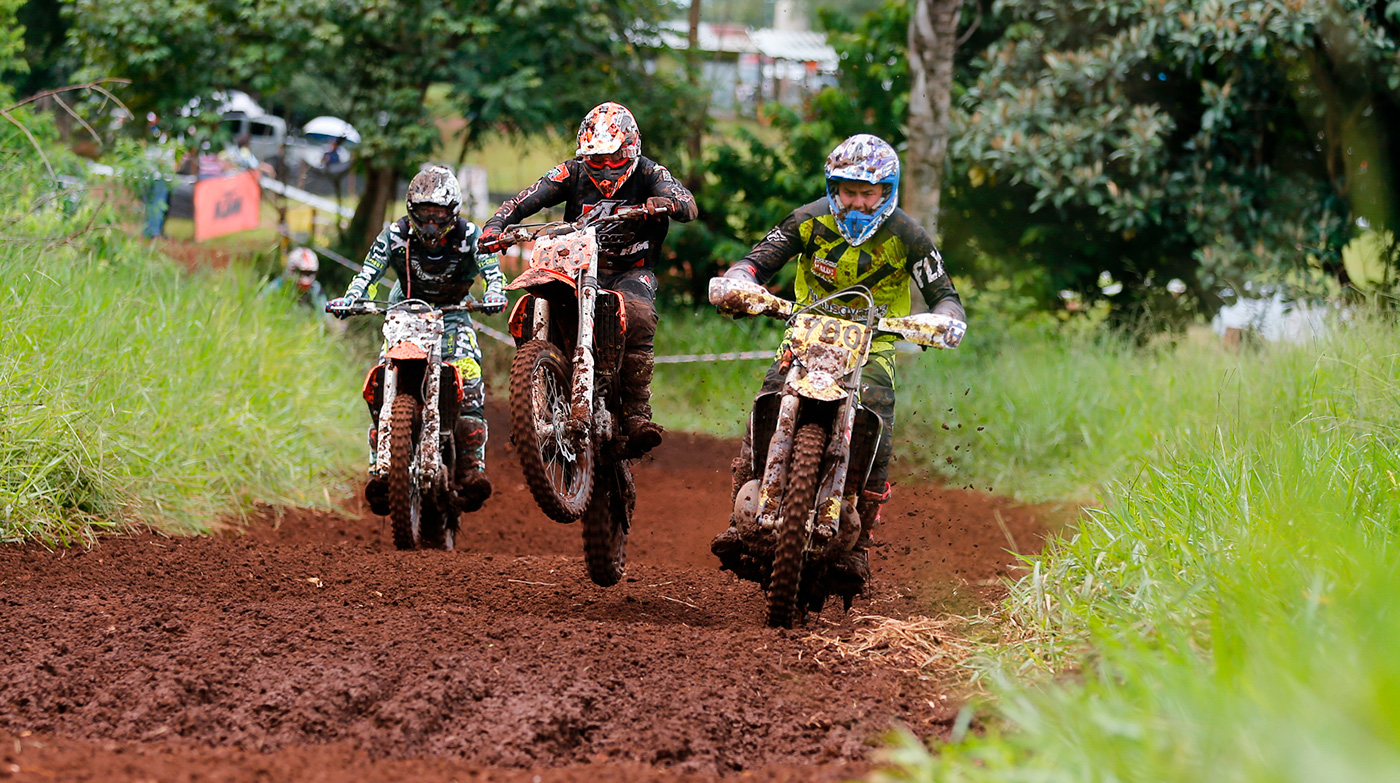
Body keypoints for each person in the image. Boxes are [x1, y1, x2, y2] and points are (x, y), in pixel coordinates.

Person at [709, 133, 967, 594]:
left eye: (870, 193)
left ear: (888, 191)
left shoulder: (908, 235)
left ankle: (860, 540)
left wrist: (944, 321)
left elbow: (945, 296)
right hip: (805, 332)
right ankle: (742, 504)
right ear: (834, 186)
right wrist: (738, 282)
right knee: (769, 396)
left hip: (874, 344)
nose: (859, 202)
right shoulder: (808, 221)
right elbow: (755, 263)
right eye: (849, 190)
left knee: (879, 420)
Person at [478, 101, 698, 458]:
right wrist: (495, 226)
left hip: (629, 271)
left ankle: (637, 414)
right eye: (597, 161)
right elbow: (524, 199)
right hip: (574, 267)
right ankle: (531, 408)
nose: (606, 168)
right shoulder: (571, 172)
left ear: (630, 150)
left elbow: (687, 202)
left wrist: (666, 203)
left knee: (639, 316)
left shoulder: (649, 172)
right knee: (533, 303)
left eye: (613, 159)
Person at [327, 165, 507, 514]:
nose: (430, 225)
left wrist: (495, 294)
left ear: (452, 212)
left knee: (469, 381)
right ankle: (381, 469)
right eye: (424, 214)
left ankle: (472, 469)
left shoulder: (471, 235)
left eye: (438, 216)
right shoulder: (394, 236)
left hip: (453, 316)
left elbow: (491, 272)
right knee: (382, 383)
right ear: (412, 210)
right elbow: (368, 273)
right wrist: (351, 298)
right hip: (405, 313)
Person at [261, 247, 329, 313]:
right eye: (301, 272)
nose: (305, 279)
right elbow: (260, 302)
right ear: (292, 269)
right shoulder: (278, 286)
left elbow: (324, 314)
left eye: (309, 273)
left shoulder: (315, 289)